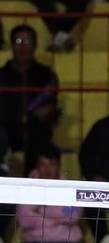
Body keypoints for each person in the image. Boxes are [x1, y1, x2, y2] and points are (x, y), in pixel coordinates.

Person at [0, 25, 59, 155]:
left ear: (35, 45)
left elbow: (53, 107)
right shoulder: (1, 75)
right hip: (5, 140)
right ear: (12, 45)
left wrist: (49, 111)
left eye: (27, 42)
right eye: (18, 41)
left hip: (37, 139)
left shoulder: (46, 75)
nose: (22, 47)